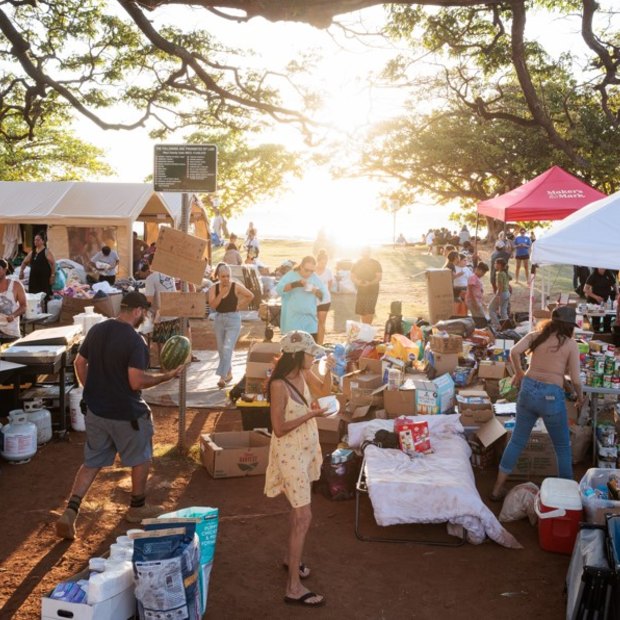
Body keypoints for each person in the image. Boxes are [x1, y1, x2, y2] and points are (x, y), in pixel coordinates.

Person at [55, 292, 185, 540]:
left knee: (92, 462)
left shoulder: (98, 330)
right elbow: (135, 382)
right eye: (144, 313)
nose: (145, 318)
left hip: (95, 410)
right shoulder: (136, 342)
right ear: (137, 311)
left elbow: (80, 363)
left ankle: (71, 510)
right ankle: (137, 507)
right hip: (126, 413)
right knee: (142, 455)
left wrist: (91, 390)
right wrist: (166, 376)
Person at [264, 330, 335, 608]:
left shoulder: (303, 372)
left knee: (298, 512)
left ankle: (289, 559)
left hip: (305, 450)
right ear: (297, 354)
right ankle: (293, 587)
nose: (314, 356)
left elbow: (324, 391)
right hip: (290, 453)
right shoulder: (279, 384)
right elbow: (279, 429)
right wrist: (311, 414)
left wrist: (327, 370)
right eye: (311, 352)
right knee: (304, 515)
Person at [491, 307, 584, 500]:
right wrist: (579, 396)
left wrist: (519, 373)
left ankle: (497, 489)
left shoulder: (537, 335)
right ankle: (568, 498)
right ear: (569, 326)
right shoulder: (570, 344)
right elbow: (575, 378)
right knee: (562, 447)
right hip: (551, 397)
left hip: (528, 390)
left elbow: (515, 352)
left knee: (517, 440)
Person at [208, 263, 254, 388]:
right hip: (219, 319)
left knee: (228, 348)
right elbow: (213, 306)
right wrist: (221, 293)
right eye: (223, 276)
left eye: (228, 276)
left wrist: (239, 306)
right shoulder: (213, 288)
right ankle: (229, 372)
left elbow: (250, 295)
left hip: (233, 320)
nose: (226, 279)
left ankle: (222, 377)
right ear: (218, 276)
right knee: (221, 349)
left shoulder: (235, 286)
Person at [276, 256, 327, 340]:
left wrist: (314, 290)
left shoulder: (314, 277)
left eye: (312, 271)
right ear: (301, 266)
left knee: (309, 352)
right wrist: (295, 284)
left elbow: (323, 296)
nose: (309, 273)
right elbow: (279, 289)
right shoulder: (291, 275)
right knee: (291, 351)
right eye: (306, 270)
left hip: (309, 322)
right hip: (292, 322)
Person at [144, 262, 183, 364]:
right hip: (174, 312)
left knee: (162, 344)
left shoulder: (151, 278)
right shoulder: (169, 275)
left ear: (149, 265)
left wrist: (143, 307)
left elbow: (149, 300)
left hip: (162, 314)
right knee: (173, 343)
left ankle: (165, 369)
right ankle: (174, 368)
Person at [19, 231, 55, 300]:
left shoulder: (46, 252)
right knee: (33, 296)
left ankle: (44, 309)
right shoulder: (33, 252)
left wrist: (52, 275)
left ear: (43, 241)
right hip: (34, 279)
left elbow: (53, 263)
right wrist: (21, 271)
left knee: (44, 297)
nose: (35, 241)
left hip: (44, 279)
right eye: (35, 240)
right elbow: (24, 262)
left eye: (38, 240)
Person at [351, 247, 382, 324]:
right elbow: (352, 276)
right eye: (364, 252)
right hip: (361, 289)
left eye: (367, 252)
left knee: (369, 309)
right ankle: (364, 327)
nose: (365, 254)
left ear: (369, 253)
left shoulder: (375, 263)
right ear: (361, 253)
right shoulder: (357, 263)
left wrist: (370, 283)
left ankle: (368, 327)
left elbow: (379, 277)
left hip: (373, 290)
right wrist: (358, 282)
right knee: (362, 310)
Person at [0, 258, 27, 343]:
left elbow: (24, 306)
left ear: (5, 270)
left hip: (11, 332)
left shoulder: (16, 286)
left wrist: (13, 315)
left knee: (10, 354)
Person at [584, 268, 618, 332]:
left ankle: (607, 334)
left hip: (606, 300)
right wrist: (596, 297)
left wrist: (617, 293)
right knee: (596, 320)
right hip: (594, 301)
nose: (602, 269)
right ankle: (596, 334)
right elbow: (585, 289)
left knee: (607, 318)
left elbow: (614, 285)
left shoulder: (609, 273)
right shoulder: (593, 275)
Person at [314, 249, 333, 345]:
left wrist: (325, 293)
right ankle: (312, 342)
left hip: (325, 300)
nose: (324, 265)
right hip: (312, 300)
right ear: (318, 261)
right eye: (322, 263)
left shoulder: (328, 271)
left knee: (321, 322)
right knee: (313, 322)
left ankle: (319, 344)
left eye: (325, 263)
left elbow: (330, 284)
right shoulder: (312, 270)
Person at [466, 261, 489, 327]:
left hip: (477, 300)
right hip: (473, 301)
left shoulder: (477, 278)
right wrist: (474, 302)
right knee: (480, 318)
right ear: (478, 270)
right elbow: (470, 291)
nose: (483, 274)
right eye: (483, 272)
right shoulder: (473, 277)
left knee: (479, 317)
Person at [489, 258, 510, 329]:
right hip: (507, 293)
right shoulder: (505, 273)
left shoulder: (500, 274)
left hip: (502, 293)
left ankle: (497, 326)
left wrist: (498, 296)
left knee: (491, 309)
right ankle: (507, 326)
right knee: (503, 311)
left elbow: (500, 286)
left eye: (496, 263)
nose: (494, 265)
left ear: (500, 265)